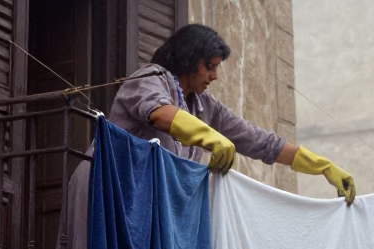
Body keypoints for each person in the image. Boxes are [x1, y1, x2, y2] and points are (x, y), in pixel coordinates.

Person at [110, 24, 356, 203]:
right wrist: (209, 137)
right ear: (189, 59)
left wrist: (322, 166)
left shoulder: (204, 106)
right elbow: (159, 113)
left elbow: (260, 142)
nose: (214, 76)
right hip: (113, 191)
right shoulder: (149, 78)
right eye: (210, 67)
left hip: (149, 203)